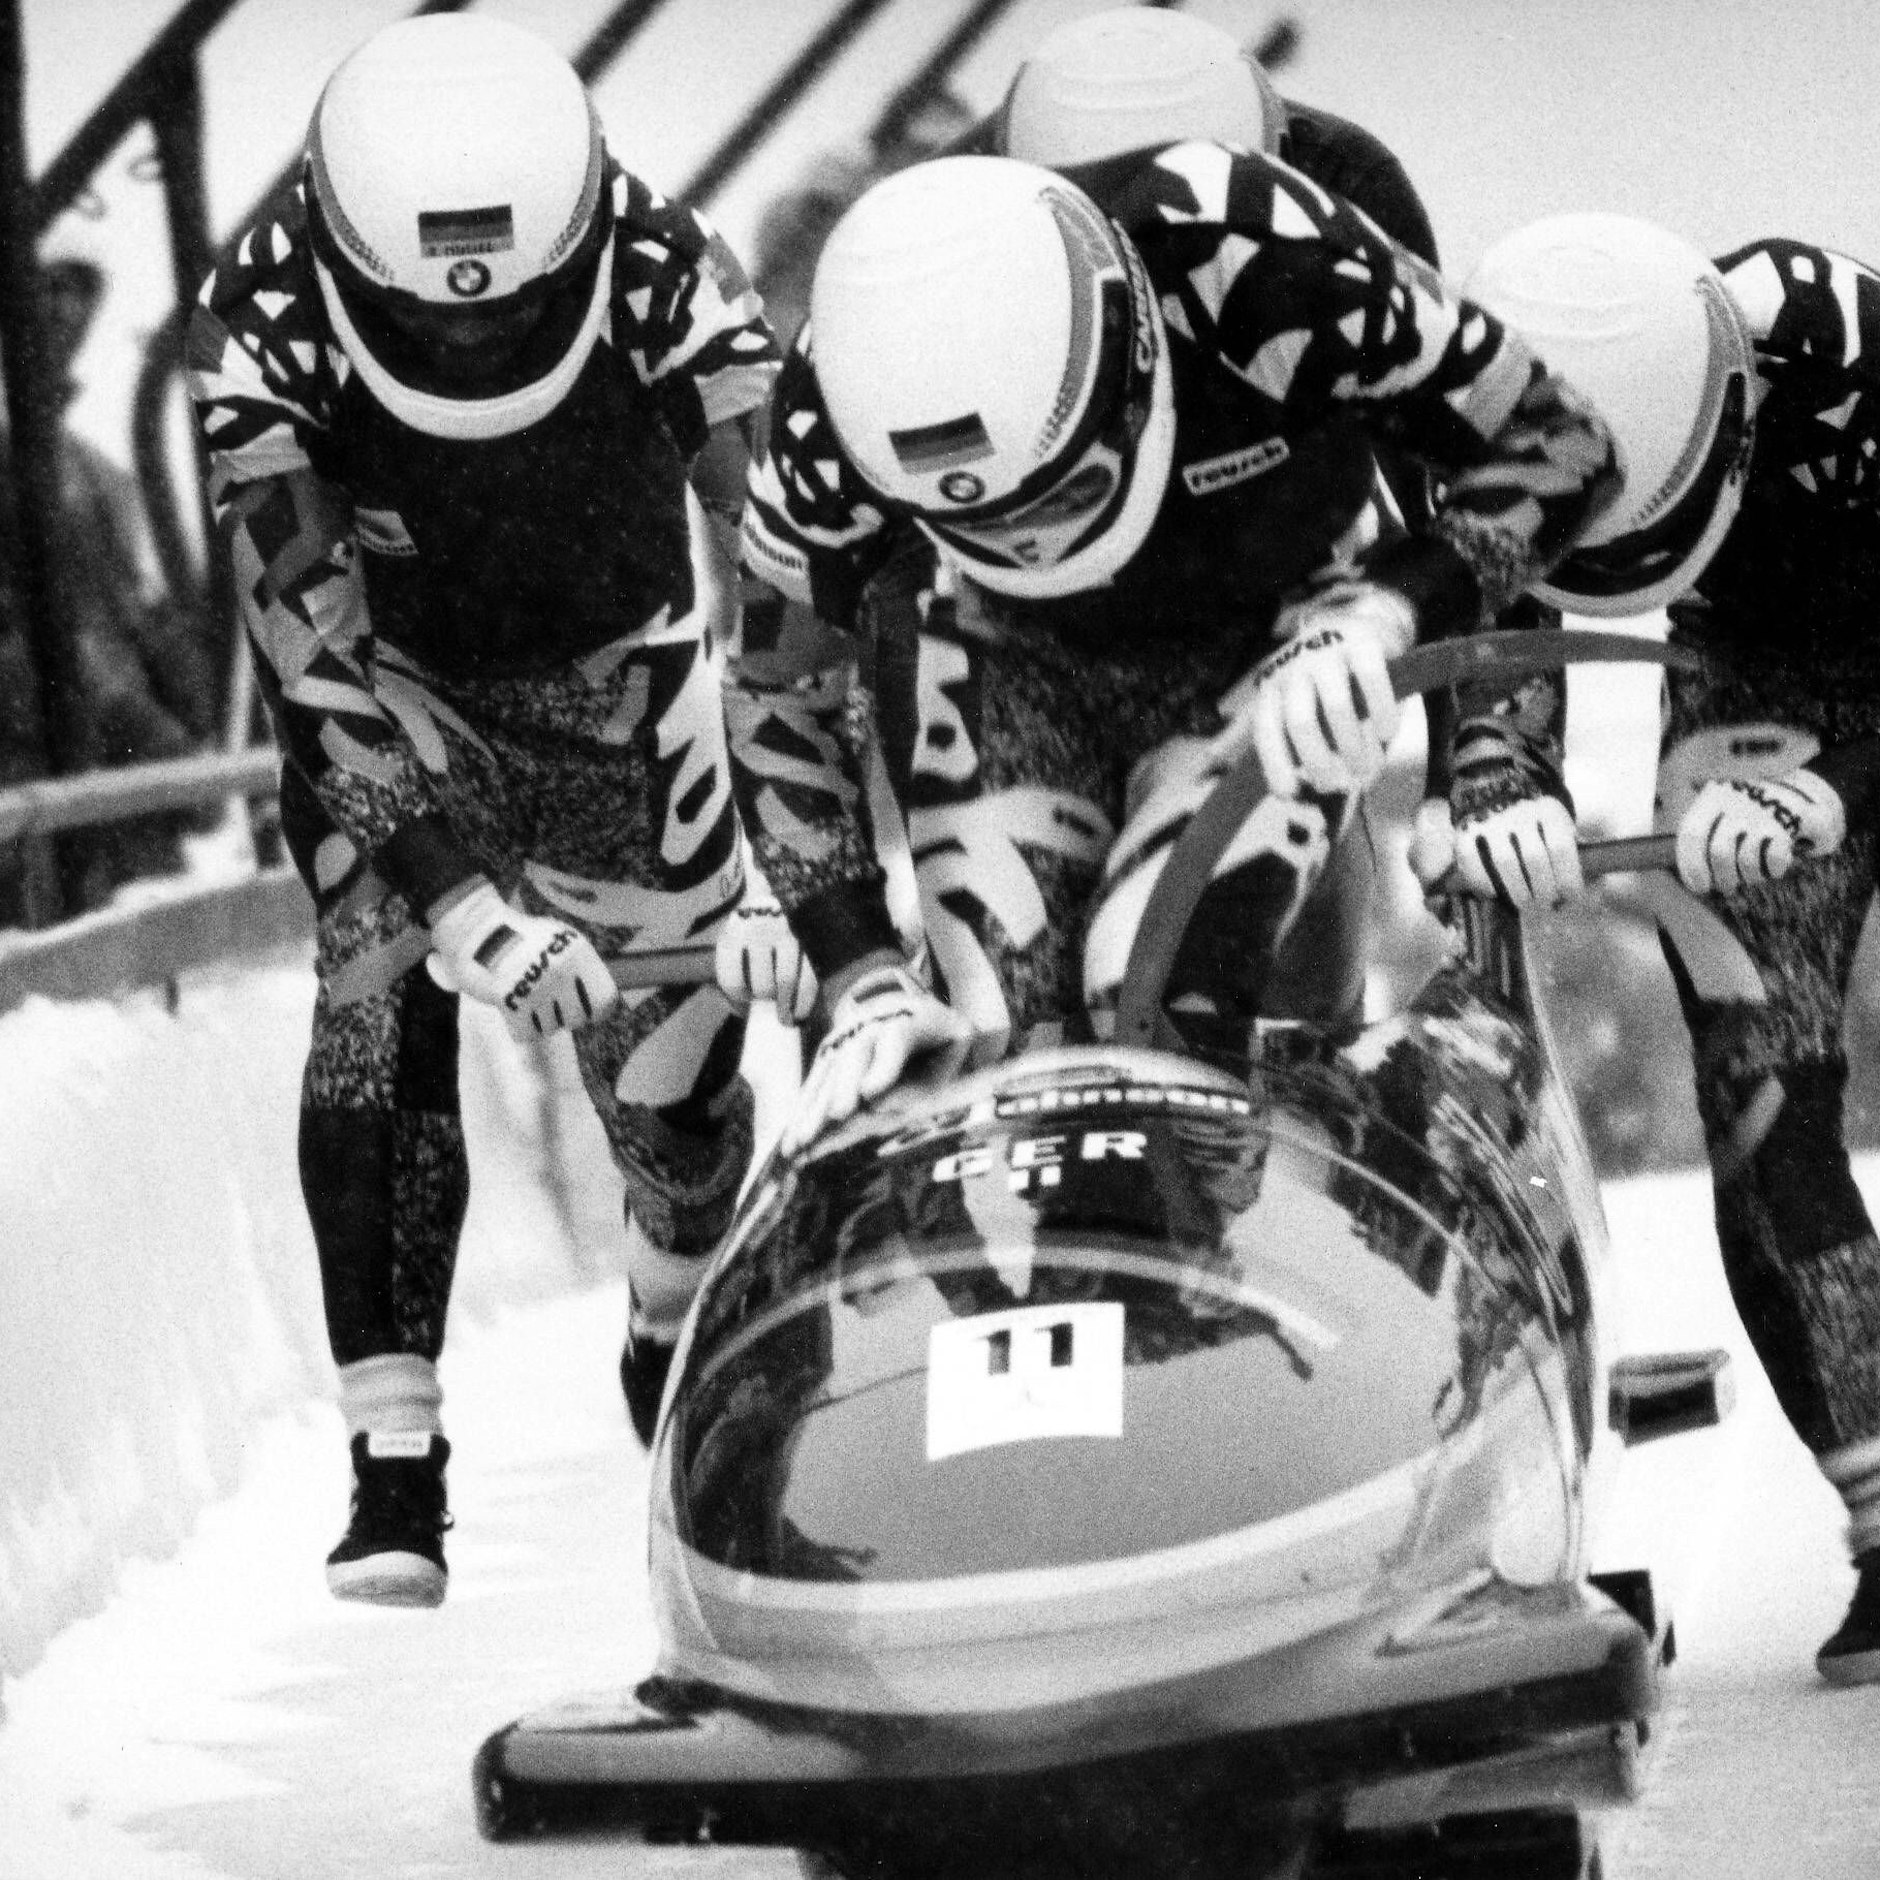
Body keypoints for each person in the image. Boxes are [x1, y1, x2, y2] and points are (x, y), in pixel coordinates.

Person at [185, 14, 782, 1605]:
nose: (468, 344)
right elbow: (306, 660)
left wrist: (808, 836)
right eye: (431, 328)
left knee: (669, 1074)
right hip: (397, 686)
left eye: (508, 320)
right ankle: (393, 1450)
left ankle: (672, 1302)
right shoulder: (261, 329)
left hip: (620, 686)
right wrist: (459, 899)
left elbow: (798, 551)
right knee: (374, 981)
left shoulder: (669, 273)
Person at [726, 148, 1619, 1162]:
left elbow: (1558, 437)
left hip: (1271, 632)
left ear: (1134, 348)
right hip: (1001, 653)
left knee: (1151, 994)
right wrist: (865, 980)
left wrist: (1384, 614)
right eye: (995, 517)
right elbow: (774, 690)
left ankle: (1236, 1213)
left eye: (1055, 494)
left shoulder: (1255, 257)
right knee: (1006, 1054)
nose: (1036, 543)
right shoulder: (821, 412)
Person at [1421, 210, 1880, 1684]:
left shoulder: (1847, 359)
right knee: (1764, 1109)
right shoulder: (1506, 417)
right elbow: (1496, 643)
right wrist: (1499, 783)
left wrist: (1841, 789)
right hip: (1747, 676)